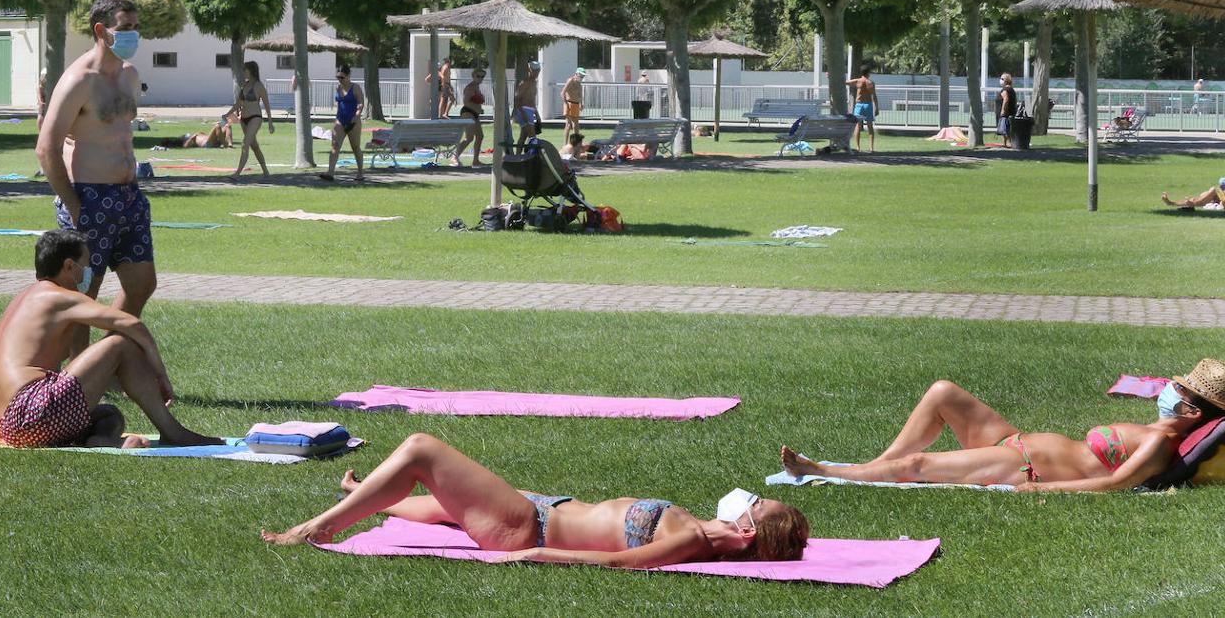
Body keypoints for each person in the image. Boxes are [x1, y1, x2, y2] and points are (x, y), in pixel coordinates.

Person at [261, 432, 809, 568]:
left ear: (746, 534)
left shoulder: (691, 538)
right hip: (544, 509)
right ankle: (366, 497)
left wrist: (538, 555)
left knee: (422, 449)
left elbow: (618, 562)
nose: (747, 499)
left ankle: (317, 527)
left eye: (755, 505)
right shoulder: (698, 532)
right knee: (442, 504)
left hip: (531, 530)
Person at [780, 362, 1225, 492]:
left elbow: (1115, 484)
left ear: (1190, 413)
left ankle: (822, 469)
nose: (1168, 388)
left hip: (1024, 465)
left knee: (918, 463)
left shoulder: (1158, 443)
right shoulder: (1157, 425)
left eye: (1178, 390)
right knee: (942, 392)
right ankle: (873, 466)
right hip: (1013, 440)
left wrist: (1036, 491)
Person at [0, 231, 222, 449]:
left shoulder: (25, 300)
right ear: (69, 266)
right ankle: (174, 432)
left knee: (109, 415)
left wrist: (126, 378)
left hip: (13, 426)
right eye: (86, 264)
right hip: (31, 415)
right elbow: (132, 324)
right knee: (119, 343)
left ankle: (102, 440)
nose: (89, 271)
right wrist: (160, 375)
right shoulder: (59, 297)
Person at [36, 0, 157, 328]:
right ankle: (79, 373)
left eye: (136, 26)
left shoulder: (130, 76)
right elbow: (46, 147)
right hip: (89, 196)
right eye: (125, 27)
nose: (133, 34)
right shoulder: (79, 80)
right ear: (102, 30)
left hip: (129, 196)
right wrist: (75, 206)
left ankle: (108, 357)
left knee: (142, 284)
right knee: (84, 292)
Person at [225, 61, 274, 180]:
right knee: (254, 146)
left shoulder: (259, 86)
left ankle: (237, 173)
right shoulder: (245, 86)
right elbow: (239, 103)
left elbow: (267, 105)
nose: (243, 72)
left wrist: (270, 123)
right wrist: (227, 114)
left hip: (255, 118)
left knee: (245, 144)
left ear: (251, 70)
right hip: (244, 119)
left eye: (245, 70)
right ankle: (266, 171)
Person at [319, 64, 365, 182]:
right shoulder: (338, 88)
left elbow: (360, 103)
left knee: (355, 147)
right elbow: (339, 104)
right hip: (340, 120)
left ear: (349, 76)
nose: (340, 80)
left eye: (342, 77)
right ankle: (330, 173)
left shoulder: (355, 88)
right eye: (338, 77)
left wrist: (357, 115)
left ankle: (360, 173)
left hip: (353, 122)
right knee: (335, 145)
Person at [452, 68, 486, 167]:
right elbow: (466, 102)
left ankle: (475, 161)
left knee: (480, 136)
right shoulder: (470, 87)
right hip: (468, 113)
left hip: (474, 114)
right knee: (469, 138)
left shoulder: (477, 87)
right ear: (473, 76)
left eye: (482, 76)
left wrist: (479, 109)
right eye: (478, 76)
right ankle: (454, 157)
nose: (480, 78)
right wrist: (477, 109)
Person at [845, 66, 878, 152]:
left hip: (859, 105)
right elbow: (874, 96)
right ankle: (871, 148)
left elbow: (846, 82)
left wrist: (830, 76)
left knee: (858, 126)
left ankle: (858, 147)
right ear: (868, 73)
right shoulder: (871, 83)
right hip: (868, 105)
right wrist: (877, 108)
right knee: (870, 126)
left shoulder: (858, 81)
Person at [513, 60, 542, 148]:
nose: (536, 72)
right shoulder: (524, 83)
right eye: (534, 70)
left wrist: (537, 114)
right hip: (524, 110)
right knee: (533, 137)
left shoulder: (534, 83)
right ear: (529, 70)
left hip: (531, 110)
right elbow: (517, 99)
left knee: (523, 136)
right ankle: (533, 156)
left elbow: (532, 100)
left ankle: (518, 156)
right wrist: (523, 113)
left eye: (537, 70)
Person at [562, 67, 586, 143]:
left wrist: (581, 104)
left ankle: (576, 143)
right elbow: (562, 93)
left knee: (574, 125)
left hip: (576, 105)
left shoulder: (579, 84)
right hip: (569, 103)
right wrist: (566, 104)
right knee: (571, 125)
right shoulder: (570, 80)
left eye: (583, 76)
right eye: (581, 75)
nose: (582, 77)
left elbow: (580, 96)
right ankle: (567, 144)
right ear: (576, 74)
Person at [996, 73, 1017, 148]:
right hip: (1010, 112)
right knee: (1005, 128)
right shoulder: (1011, 89)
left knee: (1005, 127)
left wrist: (1003, 110)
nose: (1001, 80)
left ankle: (1008, 143)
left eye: (1002, 79)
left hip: (1006, 112)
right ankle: (1005, 143)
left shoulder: (1006, 89)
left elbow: (1006, 99)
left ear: (1007, 80)